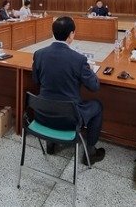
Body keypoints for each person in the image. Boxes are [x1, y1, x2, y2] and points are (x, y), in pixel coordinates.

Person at [32, 16, 105, 164]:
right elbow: (94, 87)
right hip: (69, 118)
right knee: (97, 106)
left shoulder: (39, 54)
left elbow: (36, 80)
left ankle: (51, 144)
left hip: (43, 114)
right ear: (71, 34)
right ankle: (90, 152)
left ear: (53, 33)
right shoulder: (79, 60)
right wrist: (90, 70)